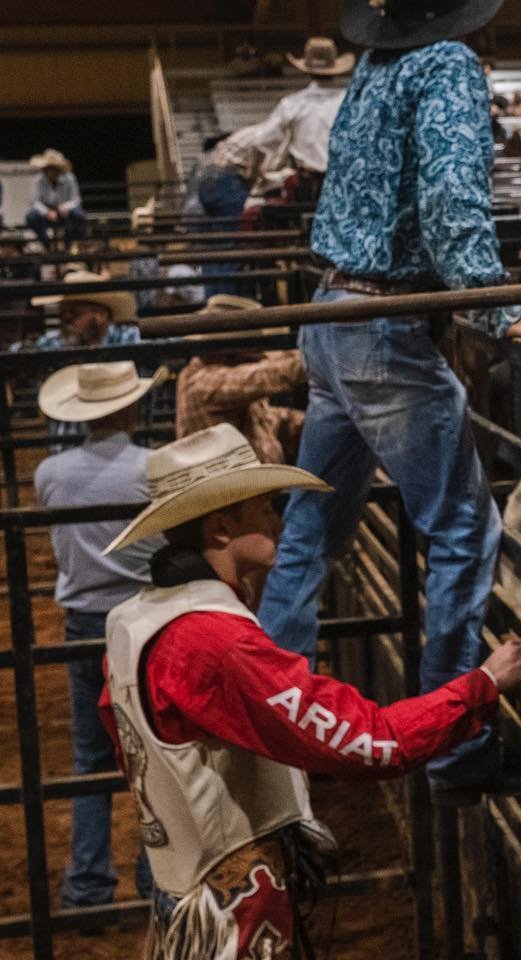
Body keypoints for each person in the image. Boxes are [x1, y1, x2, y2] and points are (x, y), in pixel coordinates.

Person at [100, 423, 521, 958]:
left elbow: (125, 737)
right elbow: (372, 742)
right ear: (223, 528)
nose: (278, 517)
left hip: (184, 885)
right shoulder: (216, 642)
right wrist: (480, 686)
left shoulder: (135, 620)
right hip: (233, 910)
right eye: (265, 506)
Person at [259, 0, 521, 807]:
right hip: (384, 326)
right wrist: (501, 310)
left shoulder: (376, 66)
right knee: (463, 530)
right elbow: (452, 200)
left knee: (310, 530)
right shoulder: (447, 66)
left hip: (330, 312)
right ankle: (454, 745)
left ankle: (262, 718)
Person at [34, 361, 159, 914]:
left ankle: (87, 886)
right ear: (130, 407)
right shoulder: (152, 467)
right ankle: (157, 877)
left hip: (83, 621)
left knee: (91, 757)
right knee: (154, 751)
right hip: (140, 619)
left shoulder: (50, 472)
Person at [176, 295, 307, 465]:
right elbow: (262, 376)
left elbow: (263, 417)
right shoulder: (203, 382)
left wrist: (297, 421)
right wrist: (317, 356)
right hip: (231, 487)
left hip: (254, 482)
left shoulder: (222, 371)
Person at [26, 271, 143, 450]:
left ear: (100, 315)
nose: (66, 320)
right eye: (63, 314)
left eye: (74, 314)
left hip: (116, 450)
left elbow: (165, 342)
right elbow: (20, 353)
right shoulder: (56, 344)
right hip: (69, 447)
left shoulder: (126, 338)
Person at [249, 37, 355, 204]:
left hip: (308, 184)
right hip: (344, 181)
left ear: (306, 70)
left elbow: (262, 141)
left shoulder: (292, 104)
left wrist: (256, 173)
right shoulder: (349, 102)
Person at [26, 149, 85, 248]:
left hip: (65, 212)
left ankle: (69, 244)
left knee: (79, 216)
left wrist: (65, 207)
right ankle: (46, 243)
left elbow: (76, 199)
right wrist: (47, 212)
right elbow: (34, 201)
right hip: (46, 212)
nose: (49, 171)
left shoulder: (70, 179)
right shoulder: (38, 180)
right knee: (31, 217)